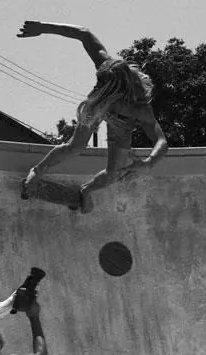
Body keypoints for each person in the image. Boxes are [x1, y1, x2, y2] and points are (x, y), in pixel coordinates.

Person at [18, 21, 169, 214]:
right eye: (99, 82)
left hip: (122, 122)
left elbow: (161, 140)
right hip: (97, 105)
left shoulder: (139, 108)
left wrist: (149, 163)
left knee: (114, 173)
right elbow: (84, 33)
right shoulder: (107, 65)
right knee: (76, 146)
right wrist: (42, 27)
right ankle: (36, 171)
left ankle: (86, 190)